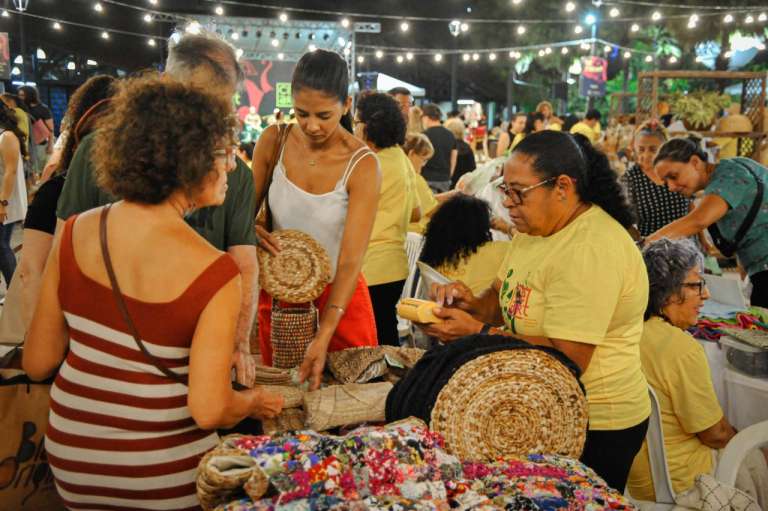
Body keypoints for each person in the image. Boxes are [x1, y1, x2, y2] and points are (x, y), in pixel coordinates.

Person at [22, 75, 284, 511]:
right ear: (188, 161)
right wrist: (254, 400)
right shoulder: (216, 273)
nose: (234, 166)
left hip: (72, 458)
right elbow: (208, 409)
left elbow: (37, 361)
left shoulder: (76, 234)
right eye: (223, 153)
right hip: (163, 472)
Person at [419, 131, 650, 492]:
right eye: (504, 189)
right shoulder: (533, 231)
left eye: (518, 191)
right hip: (537, 404)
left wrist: (477, 334)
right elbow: (499, 299)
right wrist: (465, 303)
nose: (508, 203)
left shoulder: (591, 248)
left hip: (595, 422)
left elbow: (568, 357)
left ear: (562, 187)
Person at [54, 32, 259, 387]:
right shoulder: (94, 153)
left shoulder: (234, 174)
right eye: (191, 103)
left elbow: (245, 264)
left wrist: (238, 344)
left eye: (214, 109)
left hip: (191, 371)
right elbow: (56, 270)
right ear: (161, 88)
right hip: (101, 370)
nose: (198, 123)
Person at [253, 50, 380, 389]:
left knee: (351, 411)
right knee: (284, 408)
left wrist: (325, 332)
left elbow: (352, 259)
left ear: (347, 104)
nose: (311, 125)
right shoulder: (273, 141)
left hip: (341, 299)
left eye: (324, 115)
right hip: (283, 297)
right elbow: (242, 217)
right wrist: (248, 231)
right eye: (301, 113)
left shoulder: (362, 163)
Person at [628, 238, 768, 507]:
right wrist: (742, 439)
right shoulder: (679, 347)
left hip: (636, 479)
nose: (706, 294)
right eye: (696, 285)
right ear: (667, 292)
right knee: (756, 451)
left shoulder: (628, 331)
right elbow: (714, 434)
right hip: (680, 479)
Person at [18, 75, 116, 330]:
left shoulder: (54, 190)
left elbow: (30, 273)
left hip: (63, 330)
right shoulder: (138, 198)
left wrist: (38, 338)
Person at [647, 136, 768, 307]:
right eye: (666, 182)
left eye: (673, 176)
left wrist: (645, 244)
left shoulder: (730, 175)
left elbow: (698, 220)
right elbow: (749, 229)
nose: (671, 187)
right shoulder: (724, 177)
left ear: (695, 162)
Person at [355, 92, 414, 346]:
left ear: (369, 126)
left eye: (357, 122)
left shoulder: (371, 163)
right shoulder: (400, 157)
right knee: (385, 335)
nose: (353, 127)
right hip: (393, 264)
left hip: (372, 265)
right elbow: (418, 211)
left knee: (373, 344)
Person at [420, 194, 509, 295]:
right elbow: (527, 244)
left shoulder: (436, 250)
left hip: (437, 306)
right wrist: (507, 228)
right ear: (482, 225)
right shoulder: (499, 250)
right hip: (477, 308)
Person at [622, 120, 690, 237]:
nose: (646, 155)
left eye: (653, 150)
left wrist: (704, 241)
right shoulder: (631, 179)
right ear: (635, 150)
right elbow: (627, 222)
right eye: (641, 149)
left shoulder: (678, 170)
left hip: (687, 245)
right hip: (653, 249)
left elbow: (691, 207)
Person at [0, 103, 28, 288]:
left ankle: (15, 291)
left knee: (1, 246)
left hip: (5, 200)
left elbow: (10, 171)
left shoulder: (7, 136)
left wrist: (2, 203)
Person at [420, 103, 457, 193]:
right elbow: (453, 159)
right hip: (445, 180)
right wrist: (449, 175)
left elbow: (419, 160)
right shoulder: (450, 135)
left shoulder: (423, 136)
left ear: (426, 117)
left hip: (427, 179)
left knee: (429, 206)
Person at [18, 85, 54, 175]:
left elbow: (51, 129)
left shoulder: (43, 109)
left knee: (40, 169)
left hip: (40, 144)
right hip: (26, 144)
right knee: (29, 171)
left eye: (22, 95)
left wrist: (50, 145)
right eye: (19, 95)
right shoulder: (22, 108)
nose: (20, 97)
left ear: (29, 95)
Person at [445, 118, 476, 190]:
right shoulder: (467, 147)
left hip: (447, 185)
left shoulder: (446, 147)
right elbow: (472, 169)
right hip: (463, 187)